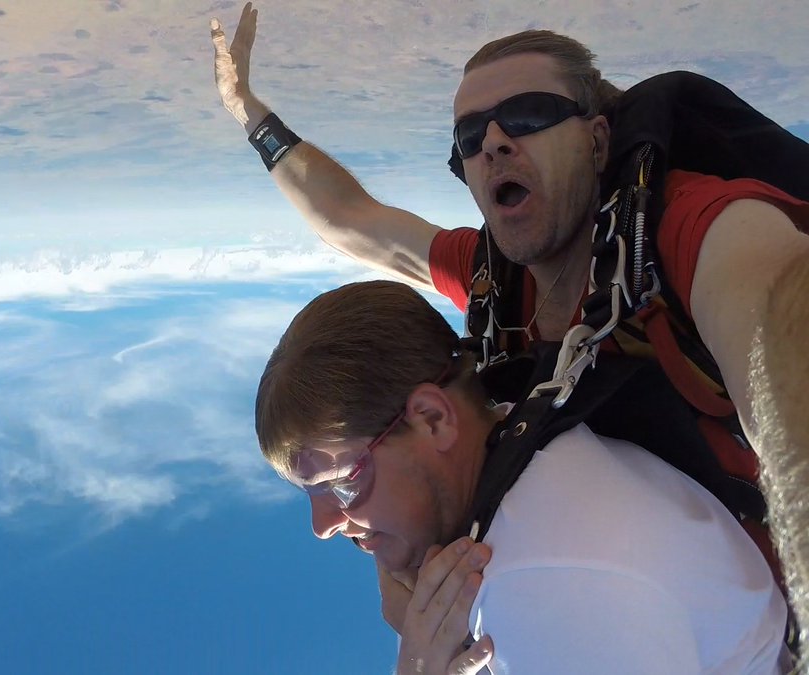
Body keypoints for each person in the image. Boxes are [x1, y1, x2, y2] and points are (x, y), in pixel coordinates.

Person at [211, 2, 809, 642]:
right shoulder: (495, 283)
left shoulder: (688, 231)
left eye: (529, 116)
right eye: (471, 137)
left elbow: (775, 308)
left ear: (597, 138)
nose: (494, 142)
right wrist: (248, 113)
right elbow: (355, 223)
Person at [255, 279, 789, 674]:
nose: (322, 525)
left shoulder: (541, 586)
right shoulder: (527, 430)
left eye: (342, 482)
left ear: (434, 419)